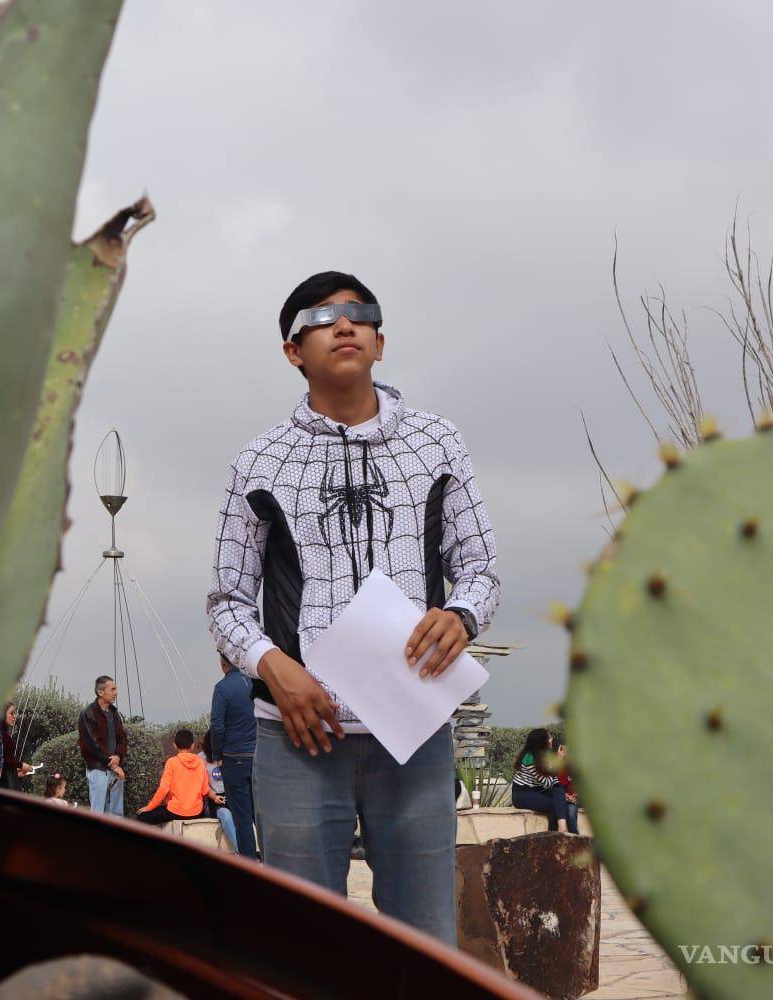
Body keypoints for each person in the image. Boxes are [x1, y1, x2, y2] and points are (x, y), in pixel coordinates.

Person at [206, 271, 501, 945]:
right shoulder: (258, 462)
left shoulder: (437, 443)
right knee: (308, 949)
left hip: (416, 727)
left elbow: (480, 567)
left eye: (360, 314)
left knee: (425, 944)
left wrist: (458, 616)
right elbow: (226, 600)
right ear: (292, 351)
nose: (344, 324)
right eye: (320, 317)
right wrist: (272, 666)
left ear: (380, 341)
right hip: (298, 736)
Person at [209, 654, 258, 859]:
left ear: (223, 664)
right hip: (258, 755)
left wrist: (216, 753)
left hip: (234, 757)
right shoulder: (254, 684)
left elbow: (217, 725)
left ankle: (249, 862)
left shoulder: (222, 688)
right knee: (262, 813)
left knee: (242, 816)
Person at [137, 729, 213, 826]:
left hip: (176, 811)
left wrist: (150, 807)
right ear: (192, 745)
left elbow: (163, 789)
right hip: (197, 812)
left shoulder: (172, 762)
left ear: (175, 745)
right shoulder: (200, 762)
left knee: (142, 817)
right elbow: (205, 790)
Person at [511, 728, 577, 834]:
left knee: (559, 790)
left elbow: (553, 780)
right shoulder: (529, 759)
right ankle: (558, 833)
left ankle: (561, 829)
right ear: (542, 742)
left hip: (537, 791)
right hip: (522, 795)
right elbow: (546, 783)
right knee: (556, 804)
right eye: (549, 737)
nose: (552, 739)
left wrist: (565, 795)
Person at [78, 675, 127, 815]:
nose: (116, 692)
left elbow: (122, 737)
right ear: (100, 692)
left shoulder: (114, 713)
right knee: (97, 813)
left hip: (115, 769)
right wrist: (112, 763)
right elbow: (91, 744)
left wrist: (118, 755)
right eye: (112, 689)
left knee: (116, 813)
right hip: (98, 769)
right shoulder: (88, 713)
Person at [197, 731, 240, 852]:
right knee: (226, 815)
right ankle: (243, 853)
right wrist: (214, 796)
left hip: (232, 795)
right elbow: (201, 785)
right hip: (214, 798)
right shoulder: (201, 758)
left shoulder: (230, 755)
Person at [0, 701, 32, 791]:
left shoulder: (3, 732)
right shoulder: (0, 734)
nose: (15, 716)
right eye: (11, 713)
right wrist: (21, 765)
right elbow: (3, 759)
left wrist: (14, 771)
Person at [554, 736, 580, 832]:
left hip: (574, 797)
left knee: (571, 812)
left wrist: (574, 795)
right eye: (564, 751)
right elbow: (553, 784)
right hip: (562, 796)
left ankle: (575, 840)